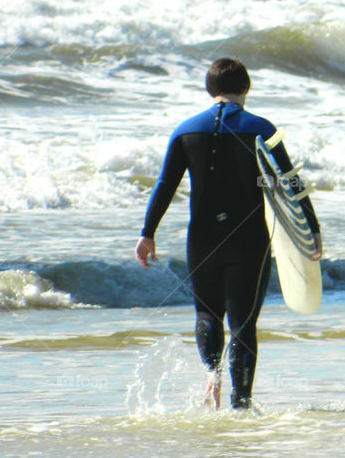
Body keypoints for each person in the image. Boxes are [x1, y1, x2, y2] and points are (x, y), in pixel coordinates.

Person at [134, 58, 322, 409]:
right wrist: (312, 228)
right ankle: (241, 404)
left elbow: (164, 185)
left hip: (201, 239)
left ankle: (211, 375)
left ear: (210, 89)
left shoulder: (184, 130)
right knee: (243, 324)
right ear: (246, 88)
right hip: (248, 239)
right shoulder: (261, 128)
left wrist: (148, 233)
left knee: (206, 314)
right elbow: (291, 180)